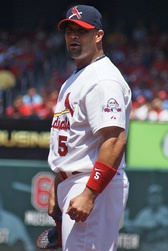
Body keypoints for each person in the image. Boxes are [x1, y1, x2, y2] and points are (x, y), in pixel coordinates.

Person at [47, 5, 132, 251]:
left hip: (93, 184)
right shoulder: (78, 76)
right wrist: (59, 180)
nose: (73, 36)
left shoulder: (103, 79)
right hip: (76, 181)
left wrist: (90, 193)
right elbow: (75, 138)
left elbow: (115, 140)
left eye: (81, 31)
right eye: (69, 30)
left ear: (98, 36)